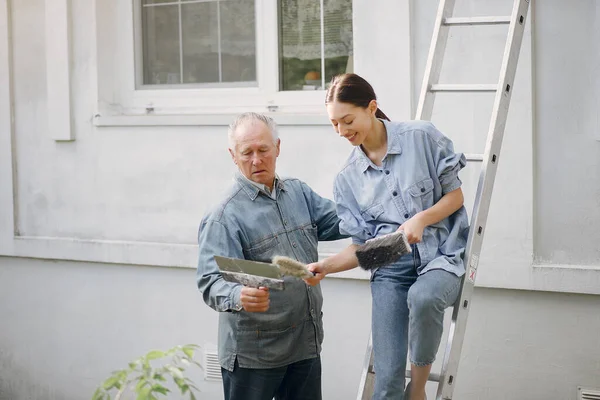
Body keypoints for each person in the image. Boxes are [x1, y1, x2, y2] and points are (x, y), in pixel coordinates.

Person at [307, 73, 469, 400]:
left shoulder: (421, 137)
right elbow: (362, 249)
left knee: (422, 298)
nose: (341, 131)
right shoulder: (347, 180)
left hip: (441, 257)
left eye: (347, 120)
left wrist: (421, 219)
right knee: (386, 384)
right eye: (334, 124)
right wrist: (326, 266)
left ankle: (419, 390)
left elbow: (456, 197)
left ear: (371, 107)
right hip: (390, 270)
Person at [196, 112, 347, 400]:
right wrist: (238, 295)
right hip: (255, 358)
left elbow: (343, 220)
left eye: (263, 150)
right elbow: (210, 280)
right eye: (247, 152)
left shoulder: (298, 193)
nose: (256, 160)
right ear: (233, 155)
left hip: (305, 345)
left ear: (278, 147)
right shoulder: (224, 215)